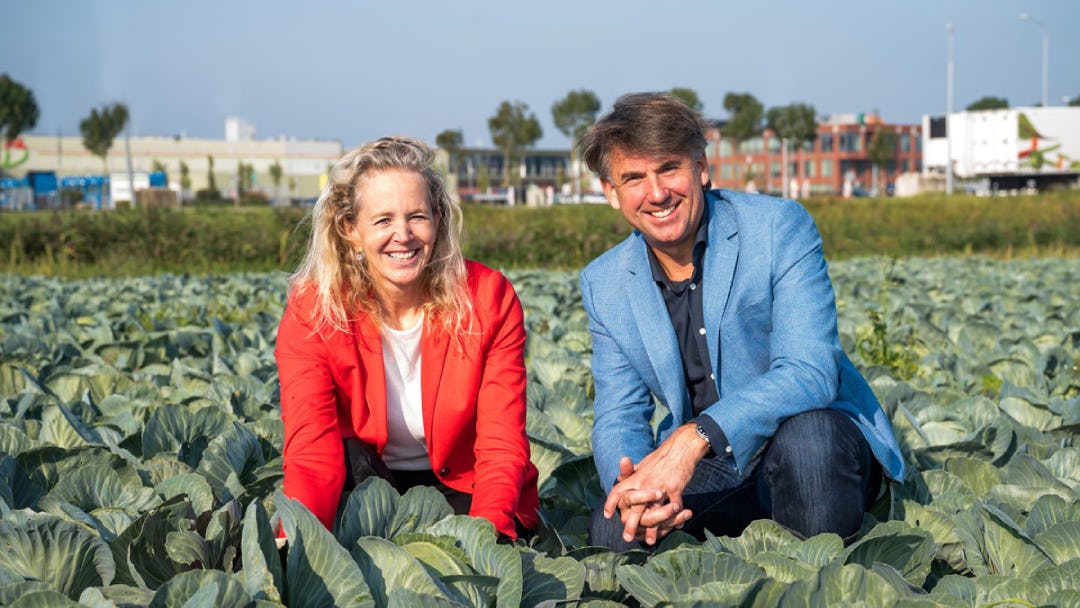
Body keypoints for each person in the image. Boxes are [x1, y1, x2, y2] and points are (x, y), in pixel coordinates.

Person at [578, 93, 907, 549]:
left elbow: (810, 371)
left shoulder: (778, 228)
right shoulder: (604, 282)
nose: (656, 194)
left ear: (701, 167)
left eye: (669, 169)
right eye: (634, 178)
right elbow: (619, 413)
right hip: (718, 467)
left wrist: (696, 436)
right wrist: (635, 487)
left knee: (810, 446)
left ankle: (822, 579)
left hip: (807, 445)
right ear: (610, 192)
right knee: (616, 531)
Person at [275, 136, 538, 540]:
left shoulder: (488, 297)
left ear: (438, 220)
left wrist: (486, 542)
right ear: (350, 230)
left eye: (417, 216)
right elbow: (311, 450)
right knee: (346, 457)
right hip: (366, 484)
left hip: (465, 486)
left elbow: (500, 444)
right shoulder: (314, 310)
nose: (403, 235)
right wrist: (294, 547)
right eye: (383, 220)